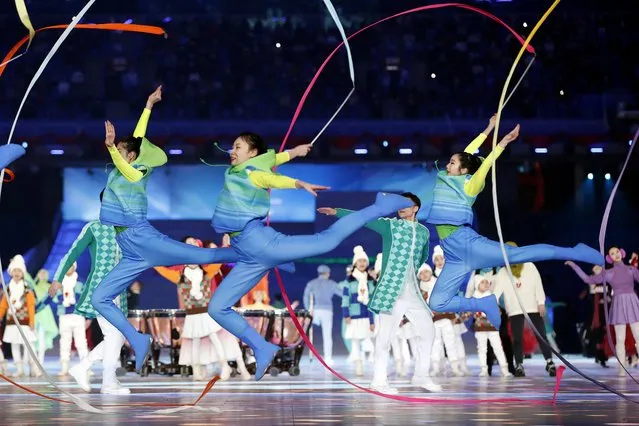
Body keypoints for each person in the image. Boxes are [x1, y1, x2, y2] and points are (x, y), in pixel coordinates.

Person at [207, 131, 413, 380]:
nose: (232, 150)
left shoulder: (251, 172)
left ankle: (379, 207)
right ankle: (262, 346)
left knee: (325, 240)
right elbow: (270, 160)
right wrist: (294, 152)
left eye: (238, 146)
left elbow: (267, 175)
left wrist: (297, 183)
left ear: (251, 153)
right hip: (248, 254)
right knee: (217, 307)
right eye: (233, 146)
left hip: (261, 245)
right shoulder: (238, 170)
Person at [91, 86, 239, 372]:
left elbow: (132, 164)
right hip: (129, 248)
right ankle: (137, 338)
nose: (117, 154)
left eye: (122, 152)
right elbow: (137, 136)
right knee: (100, 298)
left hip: (141, 236)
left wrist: (112, 147)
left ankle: (237, 249)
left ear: (131, 156)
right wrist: (148, 104)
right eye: (116, 151)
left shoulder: (139, 170)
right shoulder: (120, 170)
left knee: (196, 256)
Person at [426, 116, 603, 329]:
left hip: (465, 243)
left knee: (519, 255)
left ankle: (574, 252)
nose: (447, 164)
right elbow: (469, 151)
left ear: (463, 171)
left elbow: (486, 162)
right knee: (437, 301)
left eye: (452, 163)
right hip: (453, 255)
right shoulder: (448, 177)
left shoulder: (469, 186)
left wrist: (502, 143)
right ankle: (483, 303)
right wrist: (489, 127)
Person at [319, 192, 439, 393]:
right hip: (391, 290)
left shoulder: (424, 232)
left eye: (406, 204)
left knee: (428, 331)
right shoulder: (390, 225)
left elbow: (423, 255)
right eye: (398, 204)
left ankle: (421, 375)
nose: (401, 207)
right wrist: (337, 212)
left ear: (416, 208)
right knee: (385, 337)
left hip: (413, 292)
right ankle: (379, 380)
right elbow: (364, 219)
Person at [49, 216, 130, 394]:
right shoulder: (94, 227)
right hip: (101, 288)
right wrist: (58, 278)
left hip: (118, 289)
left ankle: (86, 368)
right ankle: (108, 383)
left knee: (118, 336)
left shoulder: (124, 228)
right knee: (112, 335)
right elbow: (73, 251)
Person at [566, 246, 639, 376]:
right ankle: (622, 370)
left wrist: (636, 263)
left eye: (617, 252)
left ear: (621, 253)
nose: (616, 254)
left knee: (638, 337)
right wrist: (575, 266)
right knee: (620, 339)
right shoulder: (609, 273)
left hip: (632, 303)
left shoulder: (630, 269)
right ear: (609, 258)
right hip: (618, 305)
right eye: (612, 253)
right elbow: (588, 279)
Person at [493, 242, 557, 377]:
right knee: (517, 338)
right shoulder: (503, 272)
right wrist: (494, 306)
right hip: (515, 309)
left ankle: (549, 362)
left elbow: (538, 284)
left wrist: (541, 302)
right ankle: (519, 364)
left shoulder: (529, 266)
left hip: (532, 306)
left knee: (541, 335)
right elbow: (496, 293)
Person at [303, 265, 341, 365]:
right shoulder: (332, 283)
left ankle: (305, 353)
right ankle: (328, 357)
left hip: (315, 311)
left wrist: (308, 309)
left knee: (308, 332)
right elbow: (341, 293)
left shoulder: (311, 283)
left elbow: (306, 296)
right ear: (328, 273)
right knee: (327, 335)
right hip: (327, 311)